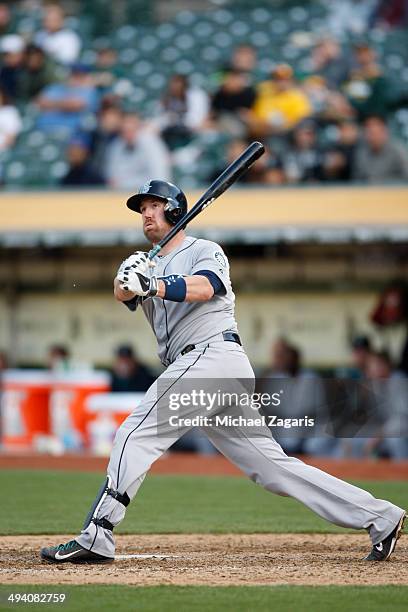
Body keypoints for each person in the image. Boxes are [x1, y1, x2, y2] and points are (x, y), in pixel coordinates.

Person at [41, 179, 405, 564]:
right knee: (272, 468)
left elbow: (206, 287)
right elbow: (124, 292)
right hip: (203, 368)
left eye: (153, 205)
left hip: (212, 357)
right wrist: (129, 279)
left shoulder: (204, 250)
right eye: (141, 208)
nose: (146, 213)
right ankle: (381, 516)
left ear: (176, 210)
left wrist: (156, 284)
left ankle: (98, 534)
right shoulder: (145, 260)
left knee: (135, 432)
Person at [105, 113, 171, 189]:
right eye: (124, 130)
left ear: (138, 128)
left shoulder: (151, 143)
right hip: (122, 193)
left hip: (149, 194)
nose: (127, 134)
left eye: (131, 129)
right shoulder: (116, 145)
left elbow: (160, 177)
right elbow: (112, 178)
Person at [36, 63, 99, 137]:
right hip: (43, 128)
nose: (76, 78)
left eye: (80, 75)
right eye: (74, 74)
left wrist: (52, 104)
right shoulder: (55, 87)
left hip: (71, 132)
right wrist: (65, 104)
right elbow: (39, 103)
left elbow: (75, 105)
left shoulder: (89, 91)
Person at [353, 115, 408, 183]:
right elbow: (356, 180)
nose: (373, 136)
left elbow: (406, 176)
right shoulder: (361, 152)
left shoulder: (398, 149)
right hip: (368, 192)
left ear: (385, 131)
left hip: (393, 191)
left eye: (376, 132)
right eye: (369, 132)